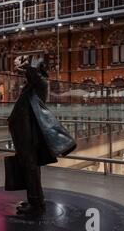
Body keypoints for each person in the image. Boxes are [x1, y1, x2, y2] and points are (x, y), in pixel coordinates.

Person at [7, 54, 76, 217]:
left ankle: (36, 205)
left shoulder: (40, 84)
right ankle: (34, 201)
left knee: (31, 168)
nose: (24, 72)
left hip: (30, 134)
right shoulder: (31, 85)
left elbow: (32, 71)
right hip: (23, 133)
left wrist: (27, 62)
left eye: (28, 68)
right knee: (29, 167)